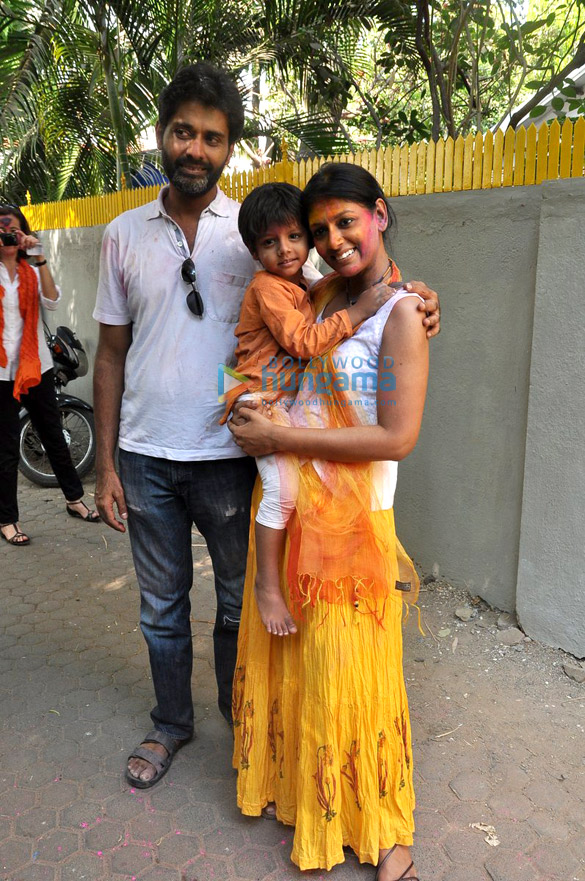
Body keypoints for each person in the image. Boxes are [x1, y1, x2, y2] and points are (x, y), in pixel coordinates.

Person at [93, 61, 441, 790]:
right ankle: (169, 725)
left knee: (236, 602)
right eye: (183, 131)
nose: (194, 148)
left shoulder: (252, 226)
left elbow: (341, 276)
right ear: (161, 134)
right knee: (161, 606)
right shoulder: (122, 235)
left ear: (228, 148)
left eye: (211, 137)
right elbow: (110, 351)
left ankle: (240, 721)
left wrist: (407, 294)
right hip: (147, 452)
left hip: (230, 450)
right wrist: (105, 465)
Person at [229, 163, 428, 880]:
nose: (332, 238)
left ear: (378, 213)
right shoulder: (321, 294)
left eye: (346, 220)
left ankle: (384, 823)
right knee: (305, 671)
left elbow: (395, 437)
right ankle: (309, 798)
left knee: (360, 676)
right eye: (320, 229)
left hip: (353, 525)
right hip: (291, 511)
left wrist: (282, 439)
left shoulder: (401, 311)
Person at [222, 181, 400, 638]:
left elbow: (366, 289)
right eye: (269, 242)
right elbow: (303, 342)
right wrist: (358, 313)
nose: (285, 250)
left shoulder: (303, 283)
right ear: (253, 250)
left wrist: (412, 290)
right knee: (281, 493)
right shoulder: (269, 288)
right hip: (259, 400)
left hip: (278, 400)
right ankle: (266, 586)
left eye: (296, 237)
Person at [0, 205, 99, 547]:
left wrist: (38, 254)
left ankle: (74, 500)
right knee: (6, 447)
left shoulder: (30, 270)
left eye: (13, 231)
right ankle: (7, 520)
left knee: (54, 436)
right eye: (2, 232)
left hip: (35, 367)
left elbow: (53, 303)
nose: (8, 237)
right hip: (1, 374)